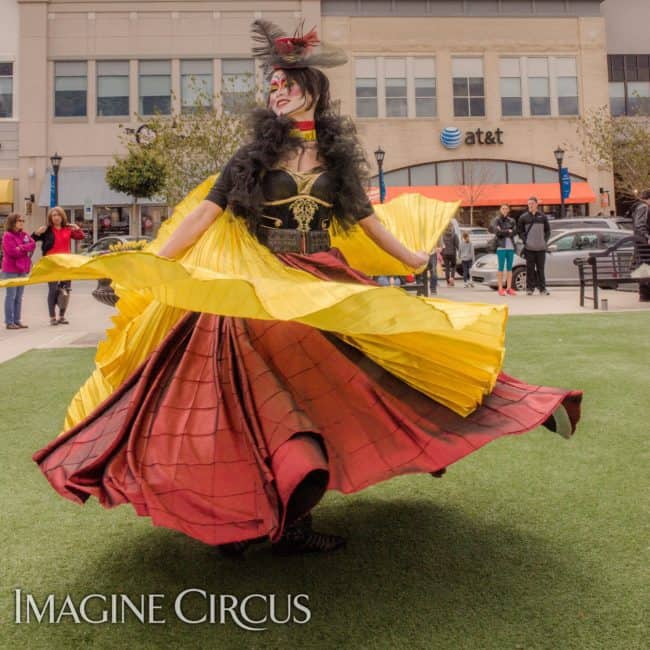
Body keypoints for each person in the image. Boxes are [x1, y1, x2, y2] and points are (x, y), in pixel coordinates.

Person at [25, 21, 582, 557]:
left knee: (368, 374)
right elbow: (203, 216)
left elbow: (370, 222)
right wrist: (150, 263)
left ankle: (506, 411)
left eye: (286, 84)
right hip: (255, 291)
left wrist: (415, 257)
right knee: (245, 405)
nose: (277, 93)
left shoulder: (337, 161)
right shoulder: (252, 157)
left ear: (312, 90)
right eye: (272, 85)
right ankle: (249, 520)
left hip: (321, 282)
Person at [32, 206, 85, 325]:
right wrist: (36, 233)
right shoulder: (47, 230)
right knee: (52, 290)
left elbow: (80, 236)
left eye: (58, 215)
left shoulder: (67, 229)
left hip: (66, 264)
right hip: (52, 264)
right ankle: (52, 317)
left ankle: (62, 316)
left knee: (66, 290)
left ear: (62, 216)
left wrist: (77, 228)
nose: (56, 217)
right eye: (53, 215)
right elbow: (32, 239)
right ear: (50, 218)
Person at [2, 213, 35, 329]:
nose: (21, 222)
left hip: (23, 269)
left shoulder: (24, 234)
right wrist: (24, 249)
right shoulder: (7, 236)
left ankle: (17, 320)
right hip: (11, 269)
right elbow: (12, 252)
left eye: (22, 220)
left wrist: (21, 247)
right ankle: (9, 322)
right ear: (12, 222)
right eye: (19, 220)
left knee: (19, 296)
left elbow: (33, 244)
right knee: (11, 295)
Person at [518, 197, 550, 296]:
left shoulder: (543, 216)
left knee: (541, 269)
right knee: (530, 269)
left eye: (532, 203)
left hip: (541, 248)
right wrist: (525, 241)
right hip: (529, 248)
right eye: (529, 203)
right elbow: (520, 231)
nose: (530, 205)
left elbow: (548, 231)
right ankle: (529, 289)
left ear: (536, 204)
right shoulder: (523, 217)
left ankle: (542, 289)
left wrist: (544, 241)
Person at [492, 204, 517, 296]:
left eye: (506, 208)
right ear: (500, 209)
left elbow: (514, 232)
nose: (505, 210)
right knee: (501, 268)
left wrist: (504, 231)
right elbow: (497, 232)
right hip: (501, 247)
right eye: (503, 208)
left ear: (509, 210)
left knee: (510, 268)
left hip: (510, 247)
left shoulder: (512, 220)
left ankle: (509, 288)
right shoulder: (497, 220)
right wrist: (508, 231)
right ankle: (500, 288)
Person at [631, 189, 650, 302]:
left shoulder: (639, 207)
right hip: (644, 245)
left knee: (644, 267)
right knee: (645, 266)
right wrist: (647, 236)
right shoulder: (643, 207)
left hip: (641, 245)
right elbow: (640, 225)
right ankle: (645, 294)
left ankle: (644, 294)